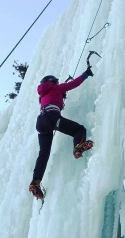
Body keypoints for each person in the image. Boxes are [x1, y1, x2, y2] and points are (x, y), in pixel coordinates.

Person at [29, 67, 94, 199]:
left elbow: (53, 99)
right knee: (79, 129)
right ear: (53, 82)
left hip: (41, 123)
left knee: (44, 153)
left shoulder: (42, 95)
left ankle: (35, 182)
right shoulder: (56, 88)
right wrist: (86, 74)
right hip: (52, 118)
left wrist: (61, 96)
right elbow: (73, 84)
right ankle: (78, 146)